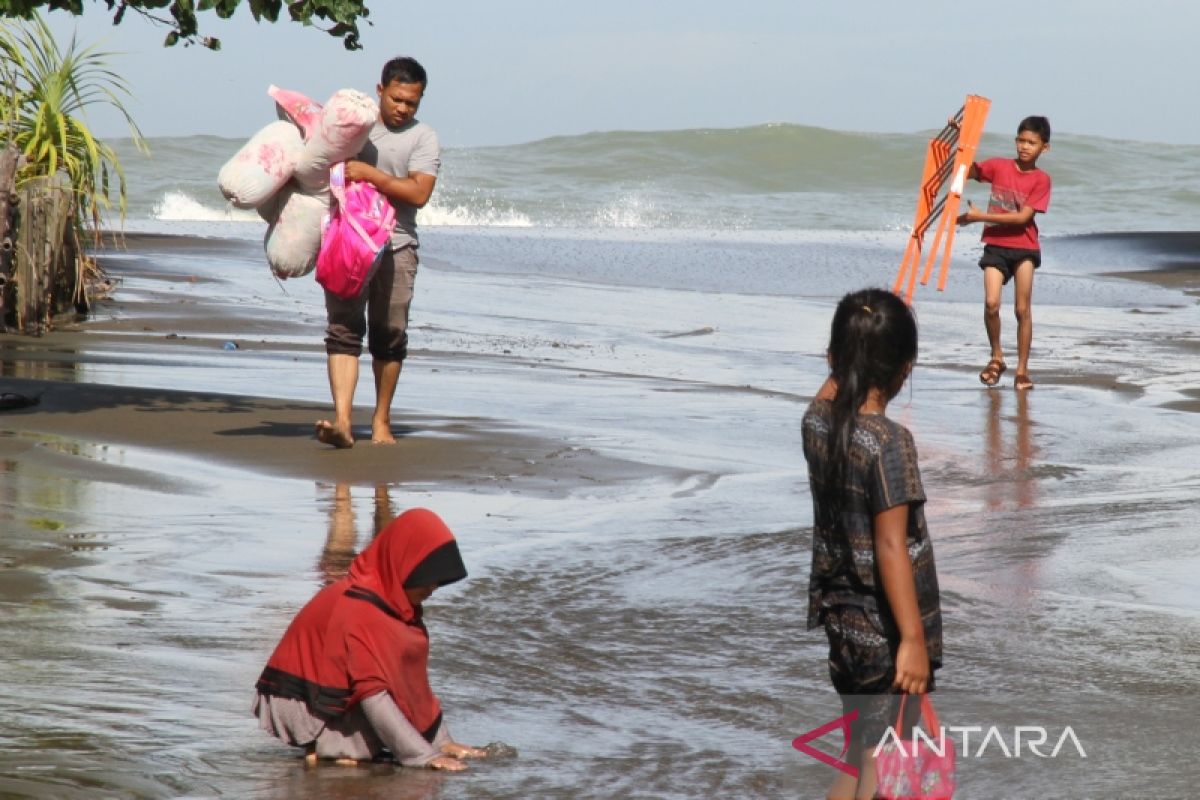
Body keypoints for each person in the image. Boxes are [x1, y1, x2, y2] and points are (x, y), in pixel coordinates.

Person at [801, 288, 943, 800]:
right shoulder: (889, 442)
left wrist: (857, 337)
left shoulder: (817, 422)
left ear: (833, 358)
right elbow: (890, 547)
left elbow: (835, 382)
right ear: (906, 368)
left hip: (841, 621)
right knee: (883, 761)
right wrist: (912, 640)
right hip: (884, 629)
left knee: (859, 749)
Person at [253, 507, 488, 770]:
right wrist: (422, 757)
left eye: (437, 581)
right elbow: (372, 692)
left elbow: (412, 683)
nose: (432, 587)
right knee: (359, 757)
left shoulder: (394, 606)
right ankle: (327, 748)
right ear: (403, 566)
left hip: (331, 694)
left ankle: (335, 747)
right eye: (427, 579)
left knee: (381, 740)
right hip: (299, 701)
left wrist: (441, 741)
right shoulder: (361, 607)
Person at [315, 56, 441, 447]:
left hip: (397, 246)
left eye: (412, 103)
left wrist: (372, 175)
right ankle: (342, 423)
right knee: (343, 331)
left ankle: (381, 422)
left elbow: (419, 193)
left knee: (390, 335)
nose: (403, 109)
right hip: (345, 242)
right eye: (397, 99)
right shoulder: (357, 128)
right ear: (380, 90)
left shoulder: (423, 139)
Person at [957, 115, 1052, 391]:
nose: (1024, 146)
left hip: (1024, 248)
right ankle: (996, 357)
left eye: (1031, 143)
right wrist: (961, 139)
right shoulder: (999, 166)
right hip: (996, 246)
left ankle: (1022, 370)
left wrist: (978, 217)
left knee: (1022, 309)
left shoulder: (1041, 180)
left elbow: (1023, 218)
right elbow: (967, 170)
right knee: (991, 304)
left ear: (1044, 147)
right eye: (1021, 140)